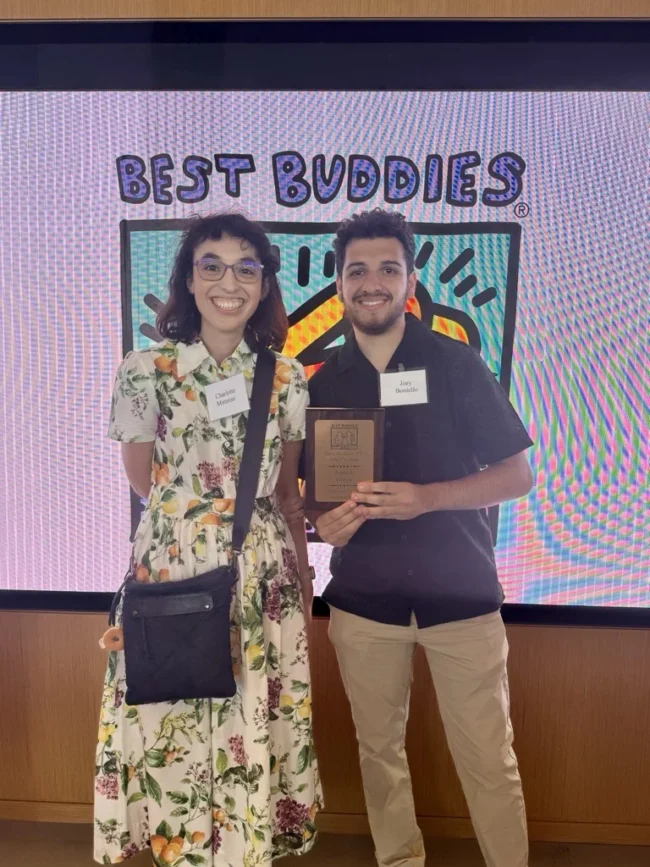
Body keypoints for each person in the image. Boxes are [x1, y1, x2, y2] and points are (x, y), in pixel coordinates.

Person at [305, 209, 534, 867]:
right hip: (363, 603)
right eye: (357, 271)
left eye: (387, 268)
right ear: (340, 284)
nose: (371, 282)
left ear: (410, 280)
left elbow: (517, 475)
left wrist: (427, 498)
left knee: (489, 755)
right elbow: (311, 499)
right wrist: (324, 525)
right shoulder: (322, 381)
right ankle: (399, 859)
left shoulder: (456, 364)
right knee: (379, 752)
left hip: (461, 598)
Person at [95, 212, 321, 866]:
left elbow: (285, 492)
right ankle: (185, 848)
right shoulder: (146, 369)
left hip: (264, 572)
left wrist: (303, 573)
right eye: (212, 265)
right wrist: (200, 525)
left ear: (264, 284)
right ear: (189, 281)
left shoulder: (287, 378)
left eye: (247, 268)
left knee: (255, 710)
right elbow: (143, 481)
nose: (230, 282)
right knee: (174, 712)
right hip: (174, 563)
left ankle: (244, 848)